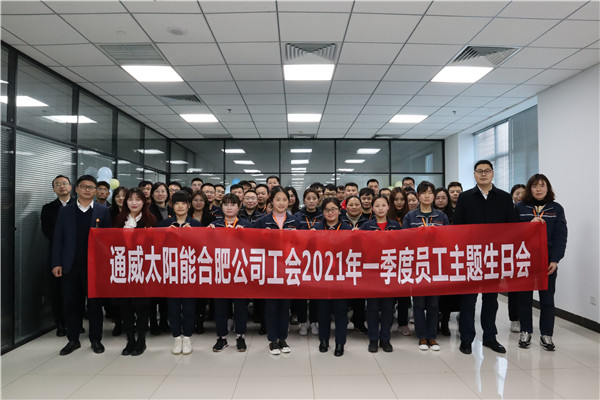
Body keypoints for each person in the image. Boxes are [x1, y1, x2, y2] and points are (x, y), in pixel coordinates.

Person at [454, 160, 516, 355]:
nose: (483, 174)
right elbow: (457, 228)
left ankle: (490, 337)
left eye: (487, 171)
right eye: (479, 171)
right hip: (471, 256)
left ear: (493, 173)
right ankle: (466, 339)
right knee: (468, 301)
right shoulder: (465, 197)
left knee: (491, 300)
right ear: (474, 174)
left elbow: (512, 228)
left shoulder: (504, 198)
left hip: (494, 257)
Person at [51, 175, 111, 356]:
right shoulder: (65, 211)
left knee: (94, 304)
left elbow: (108, 240)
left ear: (96, 191)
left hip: (94, 266)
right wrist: (56, 263)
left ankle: (96, 339)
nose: (87, 190)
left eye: (91, 187)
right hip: (70, 265)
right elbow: (58, 238)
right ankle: (73, 339)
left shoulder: (103, 211)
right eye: (84, 186)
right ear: (76, 189)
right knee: (71, 303)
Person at [515, 174, 567, 351]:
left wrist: (555, 260)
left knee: (547, 299)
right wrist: (528, 224)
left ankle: (546, 335)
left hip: (547, 260)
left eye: (542, 185)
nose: (538, 189)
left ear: (548, 188)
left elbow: (561, 236)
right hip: (524, 259)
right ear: (529, 188)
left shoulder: (556, 208)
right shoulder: (520, 207)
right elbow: (510, 232)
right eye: (535, 186)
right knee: (524, 298)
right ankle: (525, 331)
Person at [403, 181, 450, 352]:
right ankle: (422, 335)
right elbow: (404, 240)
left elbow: (449, 238)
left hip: (436, 265)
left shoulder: (441, 216)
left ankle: (432, 336)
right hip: (417, 265)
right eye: (424, 193)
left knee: (434, 304)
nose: (427, 196)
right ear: (418, 196)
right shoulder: (410, 217)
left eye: (430, 192)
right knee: (418, 303)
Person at [253, 186, 298, 354]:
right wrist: (262, 238)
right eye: (278, 199)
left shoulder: (295, 221)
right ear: (271, 201)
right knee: (271, 307)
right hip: (270, 270)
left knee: (285, 307)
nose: (281, 203)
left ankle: (282, 338)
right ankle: (272, 340)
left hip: (288, 269)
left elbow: (305, 245)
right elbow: (251, 244)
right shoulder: (262, 222)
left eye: (284, 199)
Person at [113, 188, 157, 356]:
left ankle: (141, 340)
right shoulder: (119, 220)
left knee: (141, 306)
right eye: (130, 199)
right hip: (123, 268)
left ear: (143, 202)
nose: (134, 203)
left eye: (138, 199)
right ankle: (130, 340)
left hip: (142, 269)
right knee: (125, 306)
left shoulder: (150, 220)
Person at [159, 191, 200, 355]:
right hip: (171, 272)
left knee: (189, 307)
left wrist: (193, 235)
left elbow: (204, 248)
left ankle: (187, 337)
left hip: (190, 272)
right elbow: (156, 246)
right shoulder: (164, 224)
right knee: (173, 307)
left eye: (183, 203)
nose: (180, 206)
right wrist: (166, 234)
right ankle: (177, 337)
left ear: (189, 206)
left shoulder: (196, 224)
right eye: (177, 203)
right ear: (172, 206)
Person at [209, 194, 252, 352]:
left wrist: (245, 235)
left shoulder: (246, 225)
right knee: (220, 307)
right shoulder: (215, 225)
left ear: (238, 207)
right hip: (220, 271)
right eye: (226, 204)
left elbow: (254, 247)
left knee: (240, 307)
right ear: (221, 207)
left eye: (233, 204)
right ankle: (222, 337)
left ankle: (240, 336)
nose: (229, 207)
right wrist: (208, 233)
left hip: (240, 271)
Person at [361, 195, 401, 352]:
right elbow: (360, 247)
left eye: (383, 205)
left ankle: (385, 339)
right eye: (377, 206)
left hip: (389, 271)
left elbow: (402, 246)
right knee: (372, 307)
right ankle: (373, 339)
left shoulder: (395, 226)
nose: (380, 208)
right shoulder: (366, 226)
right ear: (372, 208)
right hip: (372, 272)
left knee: (388, 308)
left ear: (388, 207)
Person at [312, 197, 351, 356]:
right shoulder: (316, 228)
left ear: (339, 211)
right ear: (322, 212)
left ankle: (340, 343)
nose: (330, 213)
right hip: (322, 276)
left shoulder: (347, 228)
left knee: (341, 311)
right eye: (327, 210)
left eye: (333, 209)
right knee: (323, 310)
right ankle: (323, 340)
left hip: (341, 277)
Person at [41, 175, 74, 337]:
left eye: (65, 183)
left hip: (77, 253)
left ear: (71, 187)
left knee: (76, 291)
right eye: (58, 184)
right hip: (57, 254)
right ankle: (60, 323)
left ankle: (74, 323)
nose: (62, 186)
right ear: (54, 189)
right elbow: (47, 231)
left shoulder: (79, 205)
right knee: (57, 291)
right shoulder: (48, 208)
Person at [293, 189, 323, 335]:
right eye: (308, 198)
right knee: (301, 293)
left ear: (318, 200)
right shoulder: (297, 216)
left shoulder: (323, 216)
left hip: (319, 258)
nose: (311, 201)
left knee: (316, 293)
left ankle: (314, 321)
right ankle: (302, 322)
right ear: (304, 200)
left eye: (314, 198)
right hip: (301, 258)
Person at [341, 195, 369, 335]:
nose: (354, 207)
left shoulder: (367, 222)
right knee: (344, 293)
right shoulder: (340, 221)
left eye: (357, 204)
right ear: (345, 207)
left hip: (360, 261)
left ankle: (358, 322)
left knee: (360, 293)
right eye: (350, 205)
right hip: (342, 261)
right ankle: (342, 322)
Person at [148, 182, 172, 334]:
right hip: (153, 254)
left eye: (163, 191)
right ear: (152, 194)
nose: (160, 194)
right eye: (157, 191)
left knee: (166, 292)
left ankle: (164, 321)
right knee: (153, 292)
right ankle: (153, 323)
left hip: (168, 255)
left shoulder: (172, 210)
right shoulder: (147, 211)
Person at [387, 187, 411, 336]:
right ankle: (388, 321)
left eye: (402, 199)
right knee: (389, 292)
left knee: (404, 293)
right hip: (389, 258)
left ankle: (403, 323)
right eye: (396, 199)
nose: (399, 202)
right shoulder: (386, 216)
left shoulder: (410, 216)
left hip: (406, 259)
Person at [508, 184, 527, 332]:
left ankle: (524, 319)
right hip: (512, 254)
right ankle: (514, 319)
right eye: (517, 193)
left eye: (523, 193)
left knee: (525, 290)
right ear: (512, 195)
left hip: (526, 254)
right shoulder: (510, 210)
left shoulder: (529, 209)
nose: (520, 196)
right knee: (513, 289)